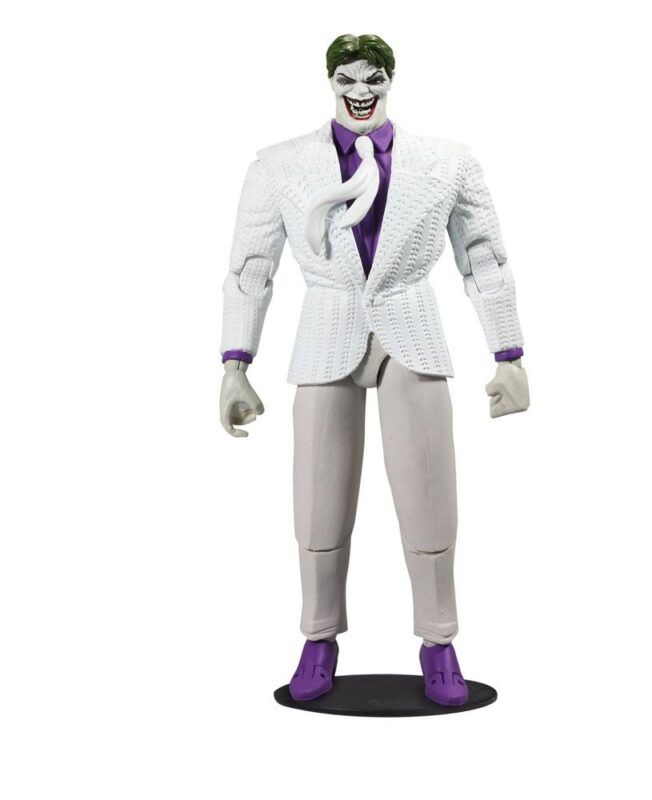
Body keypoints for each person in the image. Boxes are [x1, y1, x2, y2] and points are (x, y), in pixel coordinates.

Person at [219, 34, 529, 706]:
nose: (361, 91)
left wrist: (508, 353)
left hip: (411, 327)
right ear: (330, 81)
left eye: (374, 78)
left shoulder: (447, 162)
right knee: (317, 501)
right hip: (325, 328)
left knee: (429, 496)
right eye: (347, 78)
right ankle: (318, 636)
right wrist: (236, 362)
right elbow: (251, 268)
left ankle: (439, 641)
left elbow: (484, 257)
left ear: (391, 80)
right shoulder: (279, 165)